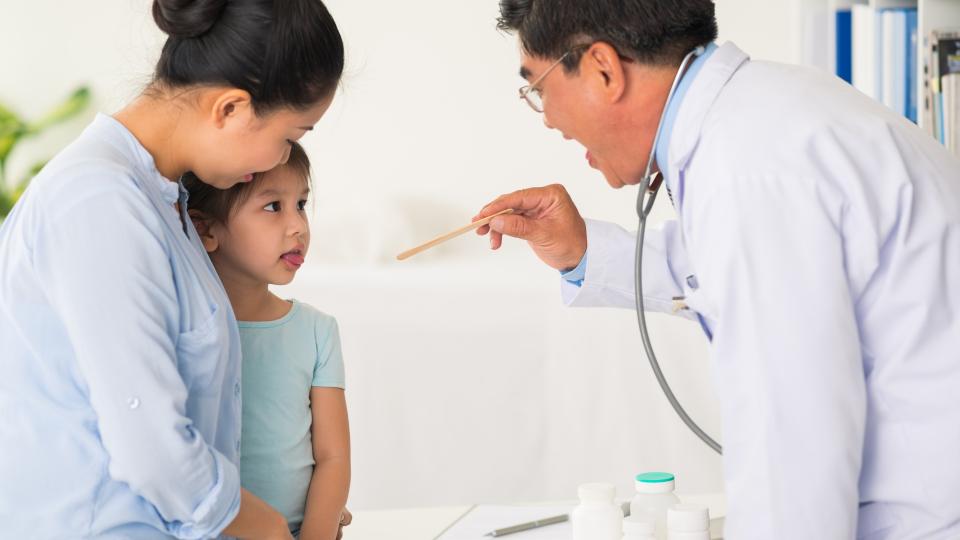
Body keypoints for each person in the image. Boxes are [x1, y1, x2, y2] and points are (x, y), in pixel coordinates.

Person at [473, 0, 960, 538]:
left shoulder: (750, 171)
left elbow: (791, 461)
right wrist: (580, 250)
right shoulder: (766, 116)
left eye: (537, 88)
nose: (549, 120)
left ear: (603, 69)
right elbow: (718, 273)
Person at [0, 0, 345, 538]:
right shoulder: (100, 202)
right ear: (231, 109)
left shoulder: (164, 200)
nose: (282, 160)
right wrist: (270, 528)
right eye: (290, 138)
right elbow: (152, 450)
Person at [182, 143, 350, 540]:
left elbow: (333, 456)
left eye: (302, 204)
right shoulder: (184, 333)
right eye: (274, 206)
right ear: (206, 229)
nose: (298, 227)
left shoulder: (316, 330)